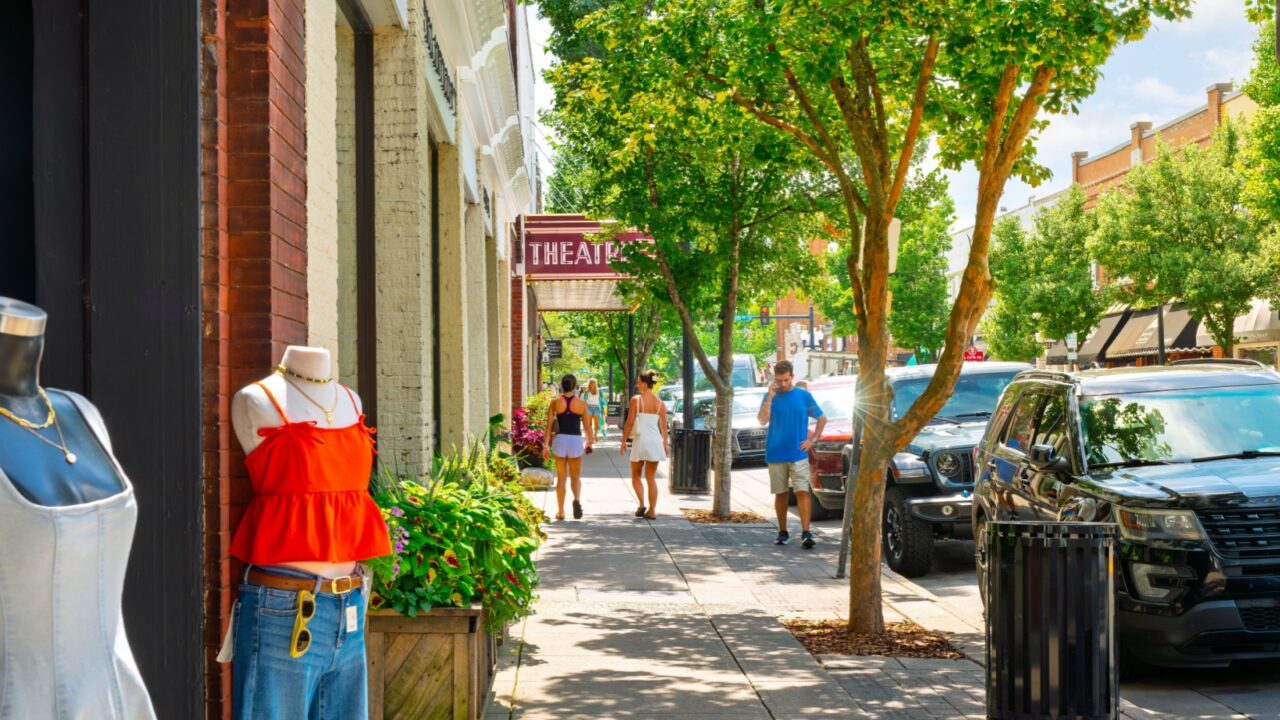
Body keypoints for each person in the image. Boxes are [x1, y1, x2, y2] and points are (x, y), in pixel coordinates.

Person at [757, 360, 826, 548]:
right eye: (779, 380)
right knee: (781, 494)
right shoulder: (770, 396)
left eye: (786, 380)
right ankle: (782, 531)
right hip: (776, 453)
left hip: (798, 453)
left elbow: (821, 417)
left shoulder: (803, 396)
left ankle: (806, 532)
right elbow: (762, 420)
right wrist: (770, 397)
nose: (783, 384)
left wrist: (813, 440)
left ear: (792, 377)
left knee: (802, 491)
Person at [621, 370, 669, 520]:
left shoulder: (636, 400)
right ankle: (652, 511)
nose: (637, 384)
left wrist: (623, 441)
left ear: (644, 383)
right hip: (655, 441)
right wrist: (665, 444)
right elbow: (663, 427)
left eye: (638, 382)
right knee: (651, 478)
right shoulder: (661, 404)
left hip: (640, 440)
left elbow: (629, 423)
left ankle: (642, 504)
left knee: (635, 474)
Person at [544, 374, 591, 520]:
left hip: (560, 440)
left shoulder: (555, 402)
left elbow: (549, 426)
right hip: (575, 440)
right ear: (575, 386)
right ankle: (576, 500)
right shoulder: (582, 404)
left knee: (561, 478)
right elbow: (587, 427)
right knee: (575, 477)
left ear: (562, 386)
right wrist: (589, 442)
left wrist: (545, 445)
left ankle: (561, 511)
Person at [582, 378, 604, 442]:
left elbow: (602, 400)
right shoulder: (586, 391)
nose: (592, 383)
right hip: (589, 408)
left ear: (595, 383)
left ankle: (595, 435)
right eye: (591, 382)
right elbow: (584, 400)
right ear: (589, 383)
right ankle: (591, 437)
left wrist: (603, 408)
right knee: (589, 424)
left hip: (596, 408)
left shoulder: (599, 391)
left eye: (593, 382)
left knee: (596, 424)